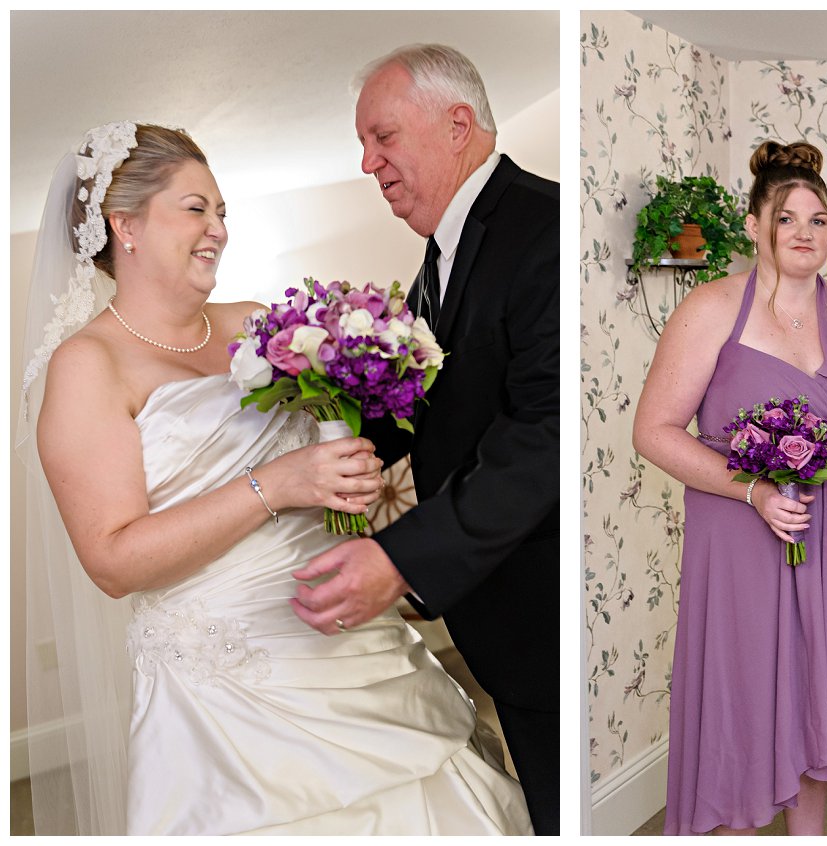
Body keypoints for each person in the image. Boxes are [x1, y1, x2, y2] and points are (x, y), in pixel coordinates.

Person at [20, 122, 531, 835]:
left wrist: (345, 463)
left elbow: (323, 457)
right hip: (232, 688)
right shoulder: (87, 367)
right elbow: (112, 559)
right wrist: (274, 485)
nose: (218, 229)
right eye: (195, 208)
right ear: (124, 225)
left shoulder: (258, 324)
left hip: (348, 636)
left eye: (222, 211)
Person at [286, 44, 561, 833]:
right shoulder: (436, 265)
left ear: (457, 125)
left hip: (543, 606)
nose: (368, 163)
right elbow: (428, 409)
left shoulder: (539, 228)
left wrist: (401, 555)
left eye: (382, 138)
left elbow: (541, 433)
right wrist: (321, 435)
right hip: (500, 618)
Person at [633, 140, 827, 835]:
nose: (805, 234)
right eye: (787, 218)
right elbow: (655, 431)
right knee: (749, 696)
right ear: (755, 226)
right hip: (744, 533)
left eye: (819, 220)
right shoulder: (712, 309)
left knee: (815, 696)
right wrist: (753, 491)